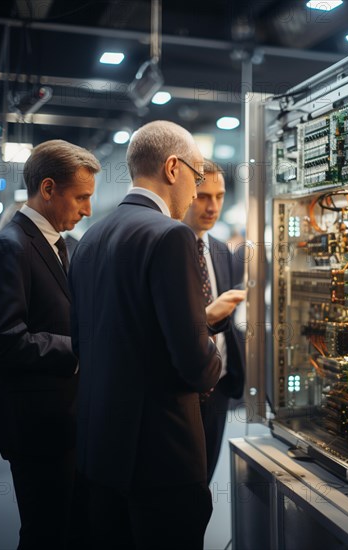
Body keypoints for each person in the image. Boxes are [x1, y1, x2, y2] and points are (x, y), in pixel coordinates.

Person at [68, 120, 245, 549]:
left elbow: (82, 342)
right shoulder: (171, 235)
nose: (198, 188)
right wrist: (215, 351)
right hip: (160, 456)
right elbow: (193, 362)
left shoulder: (90, 239)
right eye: (197, 175)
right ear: (172, 168)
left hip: (100, 450)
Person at [0, 139, 100, 549]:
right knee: (45, 533)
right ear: (49, 188)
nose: (87, 209)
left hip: (72, 421)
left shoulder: (68, 246)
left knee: (77, 530)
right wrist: (80, 348)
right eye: (81, 198)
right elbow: (5, 340)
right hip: (36, 426)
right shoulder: (9, 247)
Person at [183, 159, 246, 484]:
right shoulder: (167, 247)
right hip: (183, 390)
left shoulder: (221, 251)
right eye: (203, 196)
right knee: (181, 487)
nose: (213, 206)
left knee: (204, 481)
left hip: (219, 385)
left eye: (219, 196)